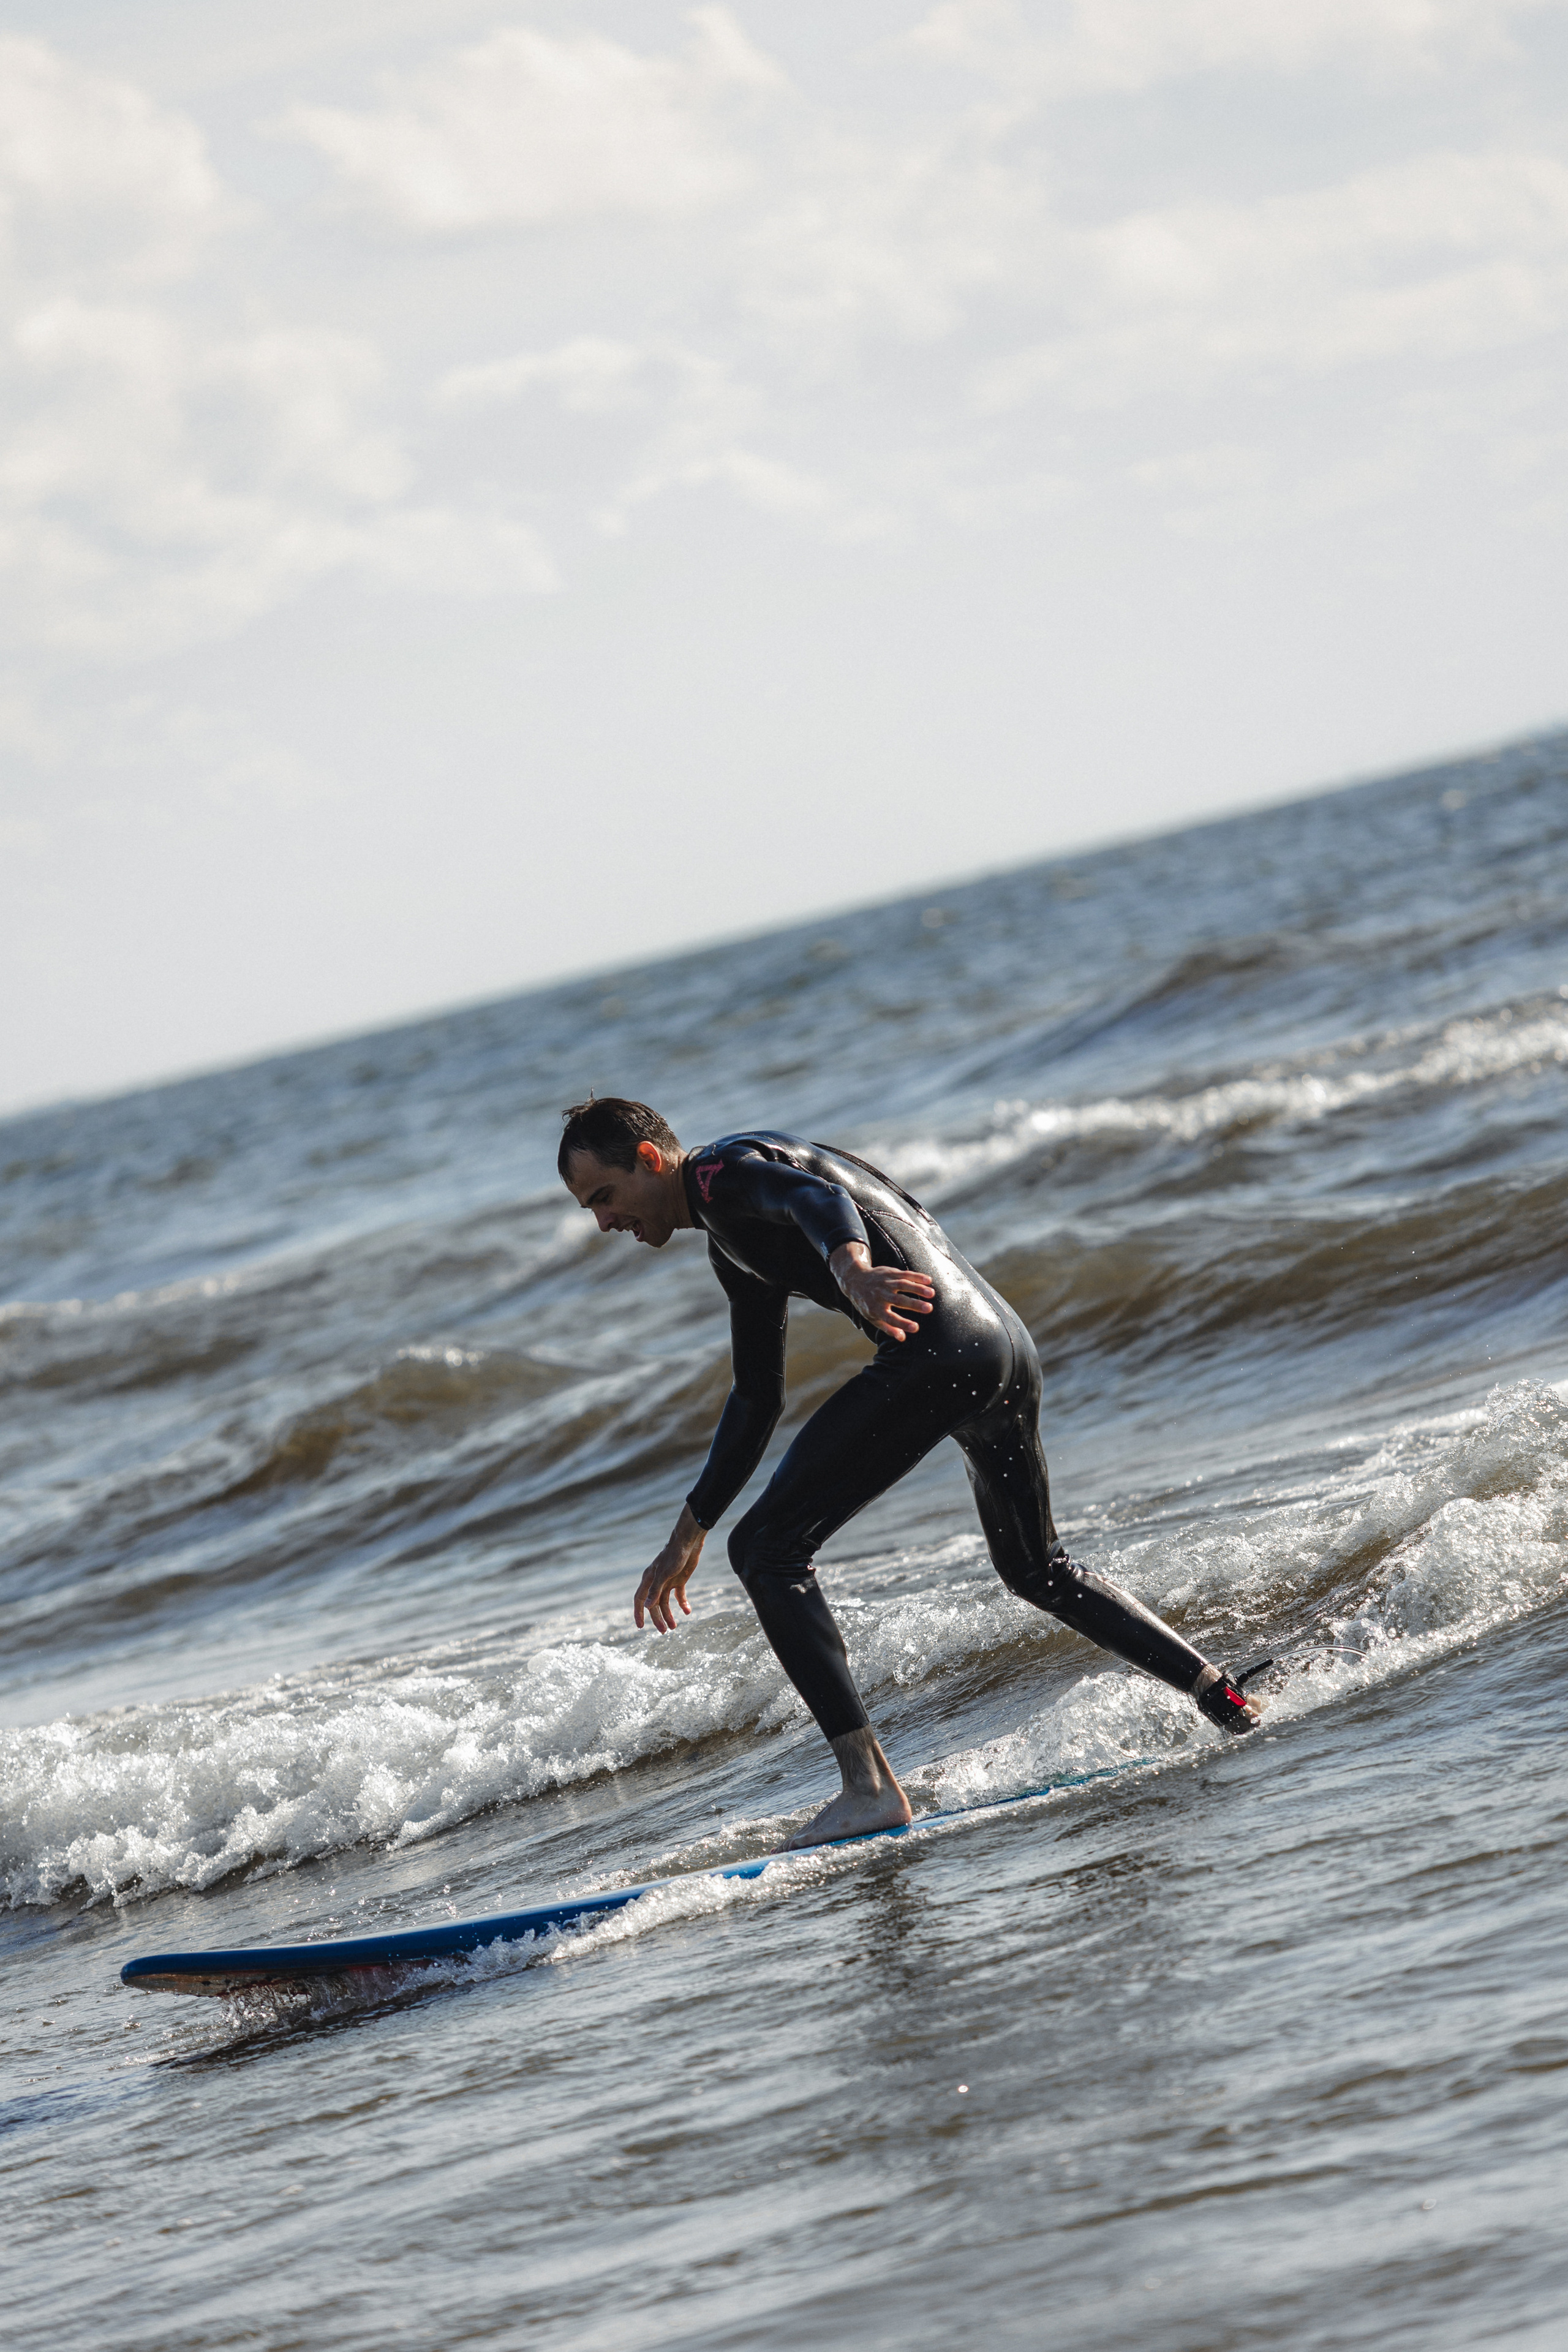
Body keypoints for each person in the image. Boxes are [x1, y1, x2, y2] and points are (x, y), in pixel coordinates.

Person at [559, 1096, 1260, 1848]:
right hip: (1001, 1350)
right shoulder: (730, 1241)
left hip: (942, 1354)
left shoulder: (720, 1175)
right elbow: (756, 1396)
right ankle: (1220, 1696)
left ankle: (869, 1789)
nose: (604, 1223)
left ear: (648, 1160)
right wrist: (688, 1530)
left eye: (603, 1197)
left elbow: (815, 1198)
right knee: (1036, 1567)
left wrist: (851, 1267)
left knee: (767, 1551)